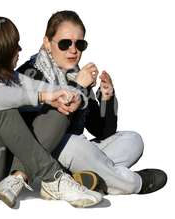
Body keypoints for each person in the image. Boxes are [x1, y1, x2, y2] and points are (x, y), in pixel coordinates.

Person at [0, 16, 103, 208]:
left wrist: (70, 95)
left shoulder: (6, 77)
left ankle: (18, 177)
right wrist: (43, 96)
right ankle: (53, 177)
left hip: (6, 174)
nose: (20, 50)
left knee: (58, 112)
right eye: (15, 45)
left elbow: (43, 88)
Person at [16, 10, 167, 195]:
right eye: (64, 43)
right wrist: (77, 86)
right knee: (73, 144)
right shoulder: (28, 73)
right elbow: (46, 129)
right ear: (47, 42)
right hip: (44, 155)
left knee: (133, 139)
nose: (73, 50)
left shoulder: (77, 73)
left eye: (79, 44)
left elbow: (103, 131)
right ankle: (133, 183)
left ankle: (82, 179)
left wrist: (106, 98)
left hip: (78, 154)